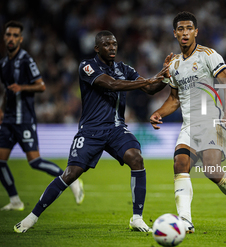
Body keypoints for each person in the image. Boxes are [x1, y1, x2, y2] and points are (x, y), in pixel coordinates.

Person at [14, 30, 173, 233]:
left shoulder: (124, 68)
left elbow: (150, 89)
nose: (112, 47)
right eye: (106, 44)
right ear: (97, 48)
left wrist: (165, 76)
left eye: (114, 43)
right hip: (91, 130)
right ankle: (32, 217)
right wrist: (149, 79)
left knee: (136, 158)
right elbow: (111, 84)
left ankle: (137, 218)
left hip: (116, 129)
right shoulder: (87, 66)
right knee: (71, 174)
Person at [150, 12, 226, 233]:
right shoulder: (173, 64)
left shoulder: (208, 55)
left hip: (212, 120)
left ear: (196, 32)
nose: (185, 33)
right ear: (175, 33)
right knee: (180, 164)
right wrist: (159, 112)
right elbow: (174, 99)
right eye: (180, 29)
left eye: (189, 28)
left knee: (212, 170)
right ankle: (185, 221)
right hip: (189, 125)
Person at [0, 20, 84, 211]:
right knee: (0, 161)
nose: (11, 38)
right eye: (8, 35)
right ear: (4, 37)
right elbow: (6, 91)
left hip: (25, 120)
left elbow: (41, 85)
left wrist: (22, 87)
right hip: (8, 120)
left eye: (15, 35)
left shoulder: (26, 60)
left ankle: (70, 179)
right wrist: (1, 110)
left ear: (20, 39)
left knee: (35, 162)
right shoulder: (4, 63)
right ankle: (15, 201)